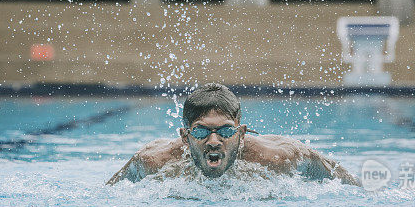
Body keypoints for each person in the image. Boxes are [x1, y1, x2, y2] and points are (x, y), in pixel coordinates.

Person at [106, 83, 360, 186]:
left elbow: (346, 182)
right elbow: (107, 194)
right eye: (202, 131)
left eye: (226, 131)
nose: (214, 141)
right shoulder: (153, 161)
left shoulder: (277, 157)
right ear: (185, 137)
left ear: (241, 133)